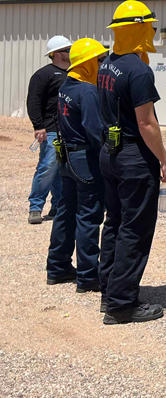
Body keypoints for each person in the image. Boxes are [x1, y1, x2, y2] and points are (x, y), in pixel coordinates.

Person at [98, 0, 166, 324]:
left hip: (109, 154)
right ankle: (122, 304)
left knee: (113, 221)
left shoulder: (106, 64)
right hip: (133, 158)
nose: (153, 31)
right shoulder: (139, 70)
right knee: (135, 228)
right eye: (150, 26)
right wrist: (165, 160)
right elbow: (147, 123)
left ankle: (109, 292)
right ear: (140, 28)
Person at [45, 38, 107, 292]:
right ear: (89, 63)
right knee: (89, 217)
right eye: (100, 61)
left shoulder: (66, 86)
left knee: (65, 212)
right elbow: (95, 132)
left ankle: (57, 268)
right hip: (85, 161)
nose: (103, 65)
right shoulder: (88, 91)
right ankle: (88, 276)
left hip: (67, 159)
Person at [26, 35, 70, 224]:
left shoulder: (74, 73)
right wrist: (39, 126)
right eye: (68, 50)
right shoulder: (43, 75)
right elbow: (34, 101)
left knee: (62, 169)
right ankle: (35, 207)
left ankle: (58, 207)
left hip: (69, 130)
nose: (71, 53)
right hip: (51, 129)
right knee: (47, 167)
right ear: (57, 54)